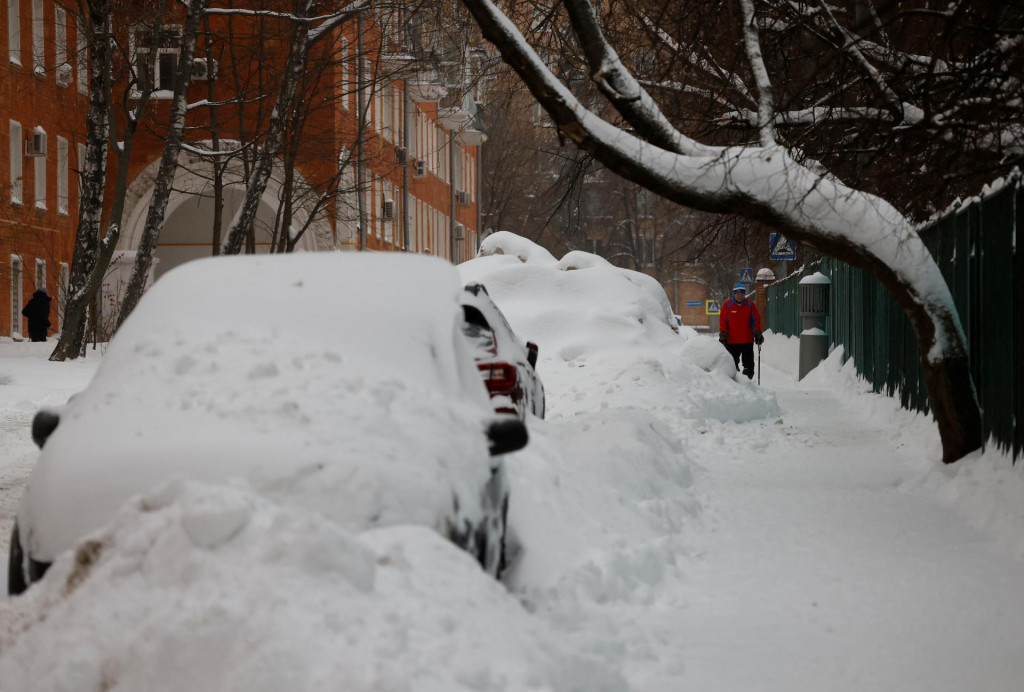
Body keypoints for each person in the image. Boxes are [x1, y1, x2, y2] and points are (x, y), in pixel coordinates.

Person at [719, 283, 763, 379]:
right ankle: (735, 383)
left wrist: (757, 333)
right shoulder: (727, 305)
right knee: (732, 365)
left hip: (747, 340)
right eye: (738, 293)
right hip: (731, 341)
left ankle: (747, 382)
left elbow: (755, 320)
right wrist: (723, 334)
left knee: (749, 365)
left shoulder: (750, 305)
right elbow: (723, 321)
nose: (740, 296)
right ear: (734, 294)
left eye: (742, 293)